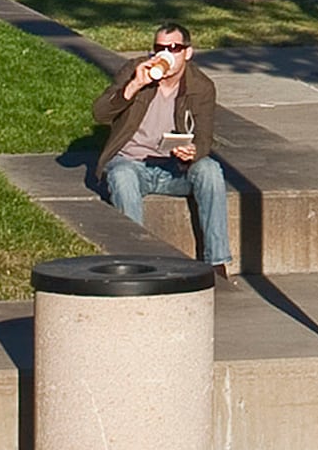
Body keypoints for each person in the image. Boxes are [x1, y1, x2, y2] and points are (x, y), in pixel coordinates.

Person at [93, 22, 235, 267]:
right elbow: (100, 114)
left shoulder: (201, 87)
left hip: (174, 167)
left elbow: (204, 137)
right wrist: (135, 85)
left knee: (210, 170)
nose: (166, 54)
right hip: (132, 162)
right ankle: (135, 262)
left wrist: (193, 152)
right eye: (160, 48)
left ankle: (217, 262)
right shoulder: (135, 71)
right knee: (122, 177)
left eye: (174, 48)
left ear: (187, 52)